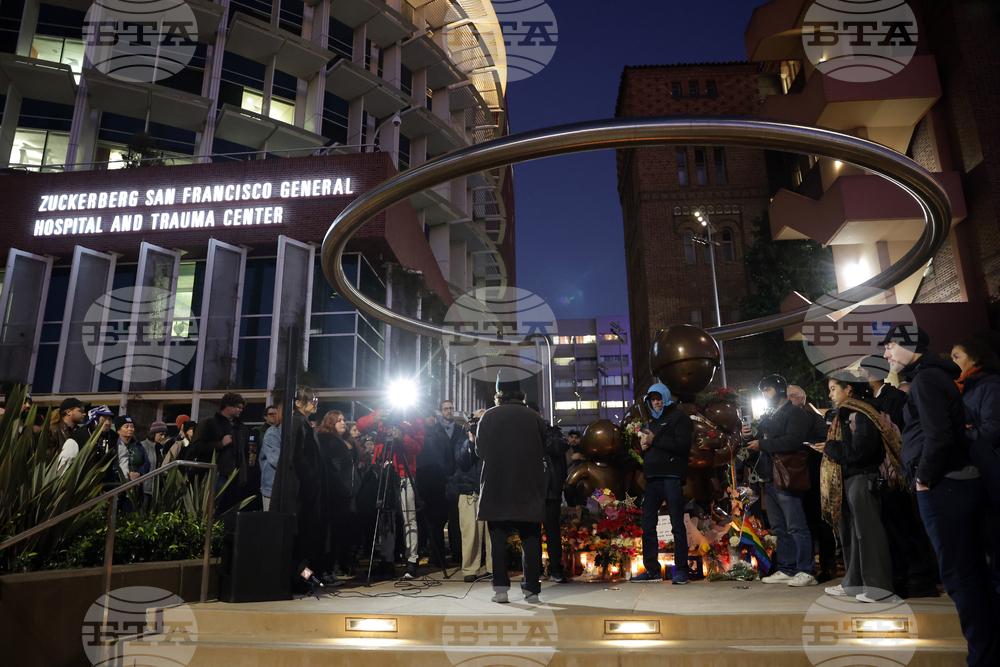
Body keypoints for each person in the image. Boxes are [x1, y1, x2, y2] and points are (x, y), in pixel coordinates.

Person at [883, 324, 1000, 666]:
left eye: (889, 347)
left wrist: (923, 477)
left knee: (962, 580)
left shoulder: (926, 379)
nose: (886, 355)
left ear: (907, 345)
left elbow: (939, 435)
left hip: (944, 487)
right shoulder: (934, 376)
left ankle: (983, 659)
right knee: (972, 577)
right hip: (954, 485)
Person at [859, 355, 939, 599]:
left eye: (863, 372)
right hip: (881, 473)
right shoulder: (871, 400)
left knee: (905, 526)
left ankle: (921, 577)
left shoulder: (893, 398)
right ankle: (901, 577)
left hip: (896, 471)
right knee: (891, 528)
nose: (860, 377)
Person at [814, 374, 897, 602]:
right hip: (850, 479)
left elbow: (862, 451)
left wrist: (830, 447)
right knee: (853, 533)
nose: (830, 395)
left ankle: (879, 588)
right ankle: (854, 583)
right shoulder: (849, 413)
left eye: (833, 389)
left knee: (868, 534)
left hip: (863, 478)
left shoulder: (862, 412)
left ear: (848, 389)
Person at [476, 373, 548, 604]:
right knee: (530, 540)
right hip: (528, 487)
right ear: (520, 392)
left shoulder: (489, 416)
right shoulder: (533, 416)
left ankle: (500, 591)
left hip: (497, 487)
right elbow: (544, 446)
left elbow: (480, 451)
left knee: (498, 542)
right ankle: (531, 590)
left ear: (499, 393)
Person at [743, 375, 816, 587]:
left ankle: (806, 569)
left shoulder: (794, 412)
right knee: (779, 527)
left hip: (787, 476)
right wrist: (749, 436)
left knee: (796, 525)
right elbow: (762, 441)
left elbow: (793, 440)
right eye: (763, 390)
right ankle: (787, 568)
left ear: (779, 390)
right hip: (769, 476)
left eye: (767, 390)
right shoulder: (769, 415)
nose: (765, 394)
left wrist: (762, 444)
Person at [630, 382, 693, 585]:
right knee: (647, 524)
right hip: (652, 479)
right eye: (652, 399)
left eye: (658, 398)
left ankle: (682, 570)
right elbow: (650, 447)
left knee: (677, 525)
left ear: (665, 398)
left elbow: (682, 445)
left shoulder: (679, 418)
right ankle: (652, 570)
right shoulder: (650, 422)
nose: (655, 402)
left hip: (671, 478)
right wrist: (643, 447)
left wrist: (654, 441)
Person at [952, 335, 1000, 590]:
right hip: (972, 471)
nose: (953, 363)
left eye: (957, 357)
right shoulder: (962, 387)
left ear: (976, 358)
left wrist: (962, 431)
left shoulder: (989, 385)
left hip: (989, 469)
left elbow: (992, 431)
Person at [357, 405, 425, 579]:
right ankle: (387, 560)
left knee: (409, 517)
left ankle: (412, 560)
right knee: (385, 517)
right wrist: (377, 417)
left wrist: (402, 437)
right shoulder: (384, 413)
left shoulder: (415, 418)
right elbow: (360, 426)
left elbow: (418, 448)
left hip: (404, 472)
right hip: (383, 471)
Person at [270, 387, 328, 588]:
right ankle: (298, 579)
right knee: (301, 541)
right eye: (311, 399)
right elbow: (296, 457)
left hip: (303, 490)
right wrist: (310, 481)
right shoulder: (296, 422)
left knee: (306, 541)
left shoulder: (304, 423)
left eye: (315, 399)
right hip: (299, 492)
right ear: (297, 402)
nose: (315, 402)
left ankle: (304, 577)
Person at [787, 384, 838, 584]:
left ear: (802, 399)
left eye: (793, 396)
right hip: (800, 477)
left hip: (814, 476)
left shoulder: (813, 418)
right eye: (787, 396)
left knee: (820, 522)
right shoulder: (791, 418)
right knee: (805, 523)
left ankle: (827, 566)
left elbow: (821, 442)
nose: (789, 400)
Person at [529, 401, 571, 583]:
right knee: (532, 534)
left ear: (539, 414)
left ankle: (556, 569)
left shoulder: (553, 431)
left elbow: (561, 446)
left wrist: (541, 434)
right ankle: (535, 569)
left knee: (553, 532)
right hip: (530, 490)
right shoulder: (522, 435)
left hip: (551, 490)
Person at [188, 393, 250, 515]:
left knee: (230, 513)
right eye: (238, 407)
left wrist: (244, 470)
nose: (241, 410)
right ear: (227, 406)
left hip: (236, 478)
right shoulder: (209, 423)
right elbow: (196, 447)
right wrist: (220, 444)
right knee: (213, 511)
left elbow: (245, 451)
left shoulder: (241, 427)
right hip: (217, 476)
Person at [316, 410, 354, 586]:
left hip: (343, 494)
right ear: (330, 422)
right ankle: (323, 571)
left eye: (344, 420)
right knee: (329, 535)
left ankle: (329, 569)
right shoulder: (325, 439)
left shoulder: (345, 441)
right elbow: (328, 467)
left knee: (339, 534)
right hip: (333, 494)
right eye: (338, 420)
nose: (343, 423)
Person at [453, 410, 491, 582]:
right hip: (469, 492)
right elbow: (460, 461)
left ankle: (493, 567)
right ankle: (470, 569)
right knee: (470, 533)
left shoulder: (493, 438)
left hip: (490, 491)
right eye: (477, 419)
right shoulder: (463, 438)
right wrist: (471, 441)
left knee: (492, 534)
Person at [418, 404, 457, 569]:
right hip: (422, 482)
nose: (432, 419)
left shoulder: (442, 436)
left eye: (433, 417)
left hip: (439, 483)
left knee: (438, 522)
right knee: (421, 522)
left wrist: (444, 474)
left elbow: (449, 458)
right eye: (429, 417)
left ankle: (439, 556)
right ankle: (418, 555)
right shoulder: (419, 436)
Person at [436, 400, 465, 565]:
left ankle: (457, 551)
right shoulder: (435, 430)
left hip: (455, 478)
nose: (449, 411)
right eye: (445, 409)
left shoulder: (460, 431)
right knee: (438, 518)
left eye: (451, 408)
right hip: (439, 478)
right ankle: (438, 553)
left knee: (455, 518)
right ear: (441, 412)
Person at [859, 355, 907, 430]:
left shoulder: (892, 398)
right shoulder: (870, 398)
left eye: (860, 371)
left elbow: (889, 429)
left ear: (867, 373)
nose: (859, 376)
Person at [116, 416, 150, 513]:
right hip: (117, 486)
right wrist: (125, 475)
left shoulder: (137, 445)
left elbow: (147, 463)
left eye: (132, 426)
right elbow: (111, 464)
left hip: (135, 487)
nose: (130, 429)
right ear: (118, 430)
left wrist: (138, 473)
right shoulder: (114, 445)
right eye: (126, 427)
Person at [47, 397, 90, 462]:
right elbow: (47, 457)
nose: (84, 414)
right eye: (80, 411)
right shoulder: (53, 430)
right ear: (68, 412)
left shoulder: (81, 431)